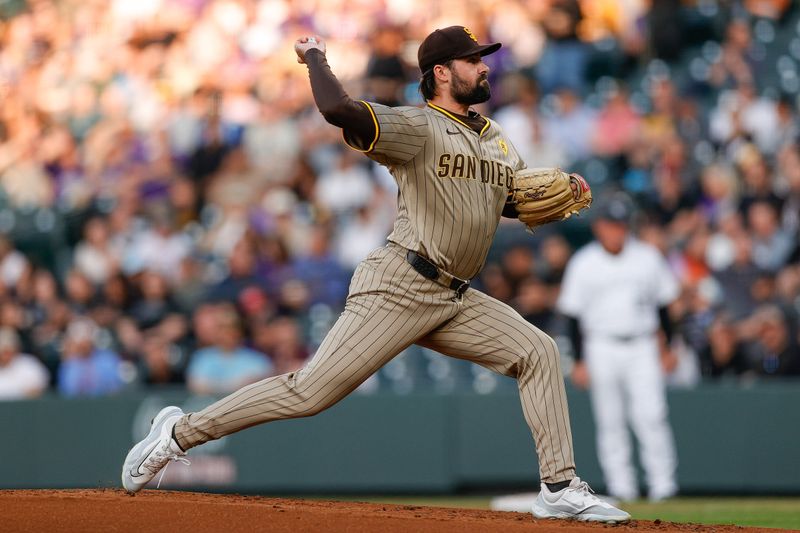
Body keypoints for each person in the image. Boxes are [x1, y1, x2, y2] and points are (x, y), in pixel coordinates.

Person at [121, 26, 629, 524]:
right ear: (442, 73)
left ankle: (559, 487)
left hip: (455, 296)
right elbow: (338, 111)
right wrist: (315, 57)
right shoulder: (418, 127)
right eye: (473, 60)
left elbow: (506, 200)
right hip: (400, 285)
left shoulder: (496, 139)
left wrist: (546, 196)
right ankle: (179, 432)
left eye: (483, 57)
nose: (484, 66)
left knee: (538, 351)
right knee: (309, 393)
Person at [557, 195, 679, 502]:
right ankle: (621, 485)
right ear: (599, 226)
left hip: (642, 343)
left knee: (651, 415)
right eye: (611, 224)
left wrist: (669, 346)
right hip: (601, 345)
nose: (616, 230)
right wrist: (580, 360)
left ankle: (663, 485)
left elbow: (665, 306)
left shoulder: (647, 257)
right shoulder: (584, 262)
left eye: (622, 224)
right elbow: (573, 316)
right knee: (610, 419)